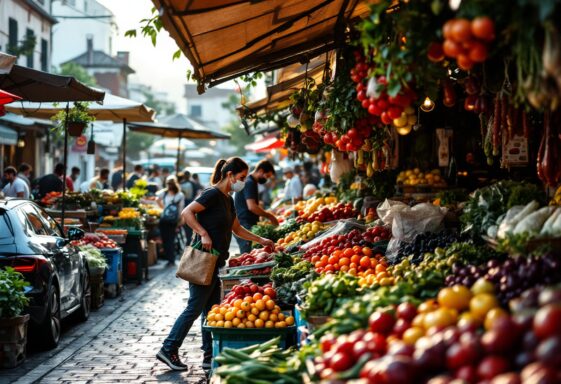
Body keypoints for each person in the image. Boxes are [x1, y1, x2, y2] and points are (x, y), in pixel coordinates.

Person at [156, 157, 274, 371]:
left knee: (210, 310)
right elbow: (186, 213)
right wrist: (202, 233)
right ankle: (169, 348)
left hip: (217, 260)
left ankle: (208, 356)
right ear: (230, 175)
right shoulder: (212, 194)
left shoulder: (228, 199)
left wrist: (261, 240)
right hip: (204, 260)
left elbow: (237, 229)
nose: (243, 182)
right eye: (241, 177)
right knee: (194, 307)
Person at [234, 160, 278, 253]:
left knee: (250, 254)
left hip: (245, 222)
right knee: (247, 254)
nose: (267, 179)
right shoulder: (250, 182)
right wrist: (270, 216)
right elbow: (252, 207)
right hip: (244, 224)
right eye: (267, 176)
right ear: (261, 171)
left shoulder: (251, 181)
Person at [156, 176, 185, 267]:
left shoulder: (164, 193)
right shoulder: (180, 195)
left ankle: (170, 259)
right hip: (173, 221)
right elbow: (181, 209)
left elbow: (156, 198)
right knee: (171, 240)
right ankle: (171, 260)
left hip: (164, 220)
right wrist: (180, 222)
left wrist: (163, 208)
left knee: (165, 240)